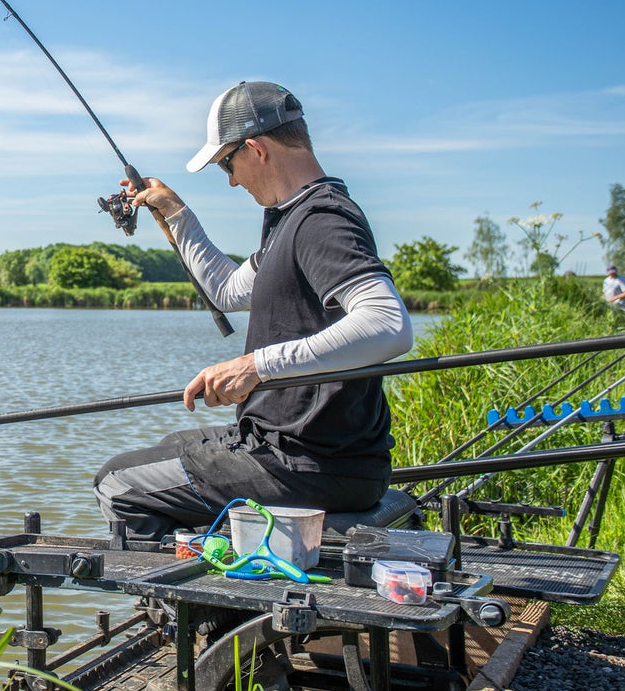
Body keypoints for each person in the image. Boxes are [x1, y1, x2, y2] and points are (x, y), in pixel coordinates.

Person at [94, 81, 414, 542]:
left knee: (117, 482)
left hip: (309, 464)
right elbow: (226, 289)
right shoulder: (292, 219)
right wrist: (177, 212)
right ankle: (222, 560)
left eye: (228, 163)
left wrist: (256, 366)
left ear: (256, 149)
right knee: (165, 450)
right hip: (290, 448)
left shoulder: (321, 219)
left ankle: (193, 602)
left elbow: (387, 326)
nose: (230, 179)